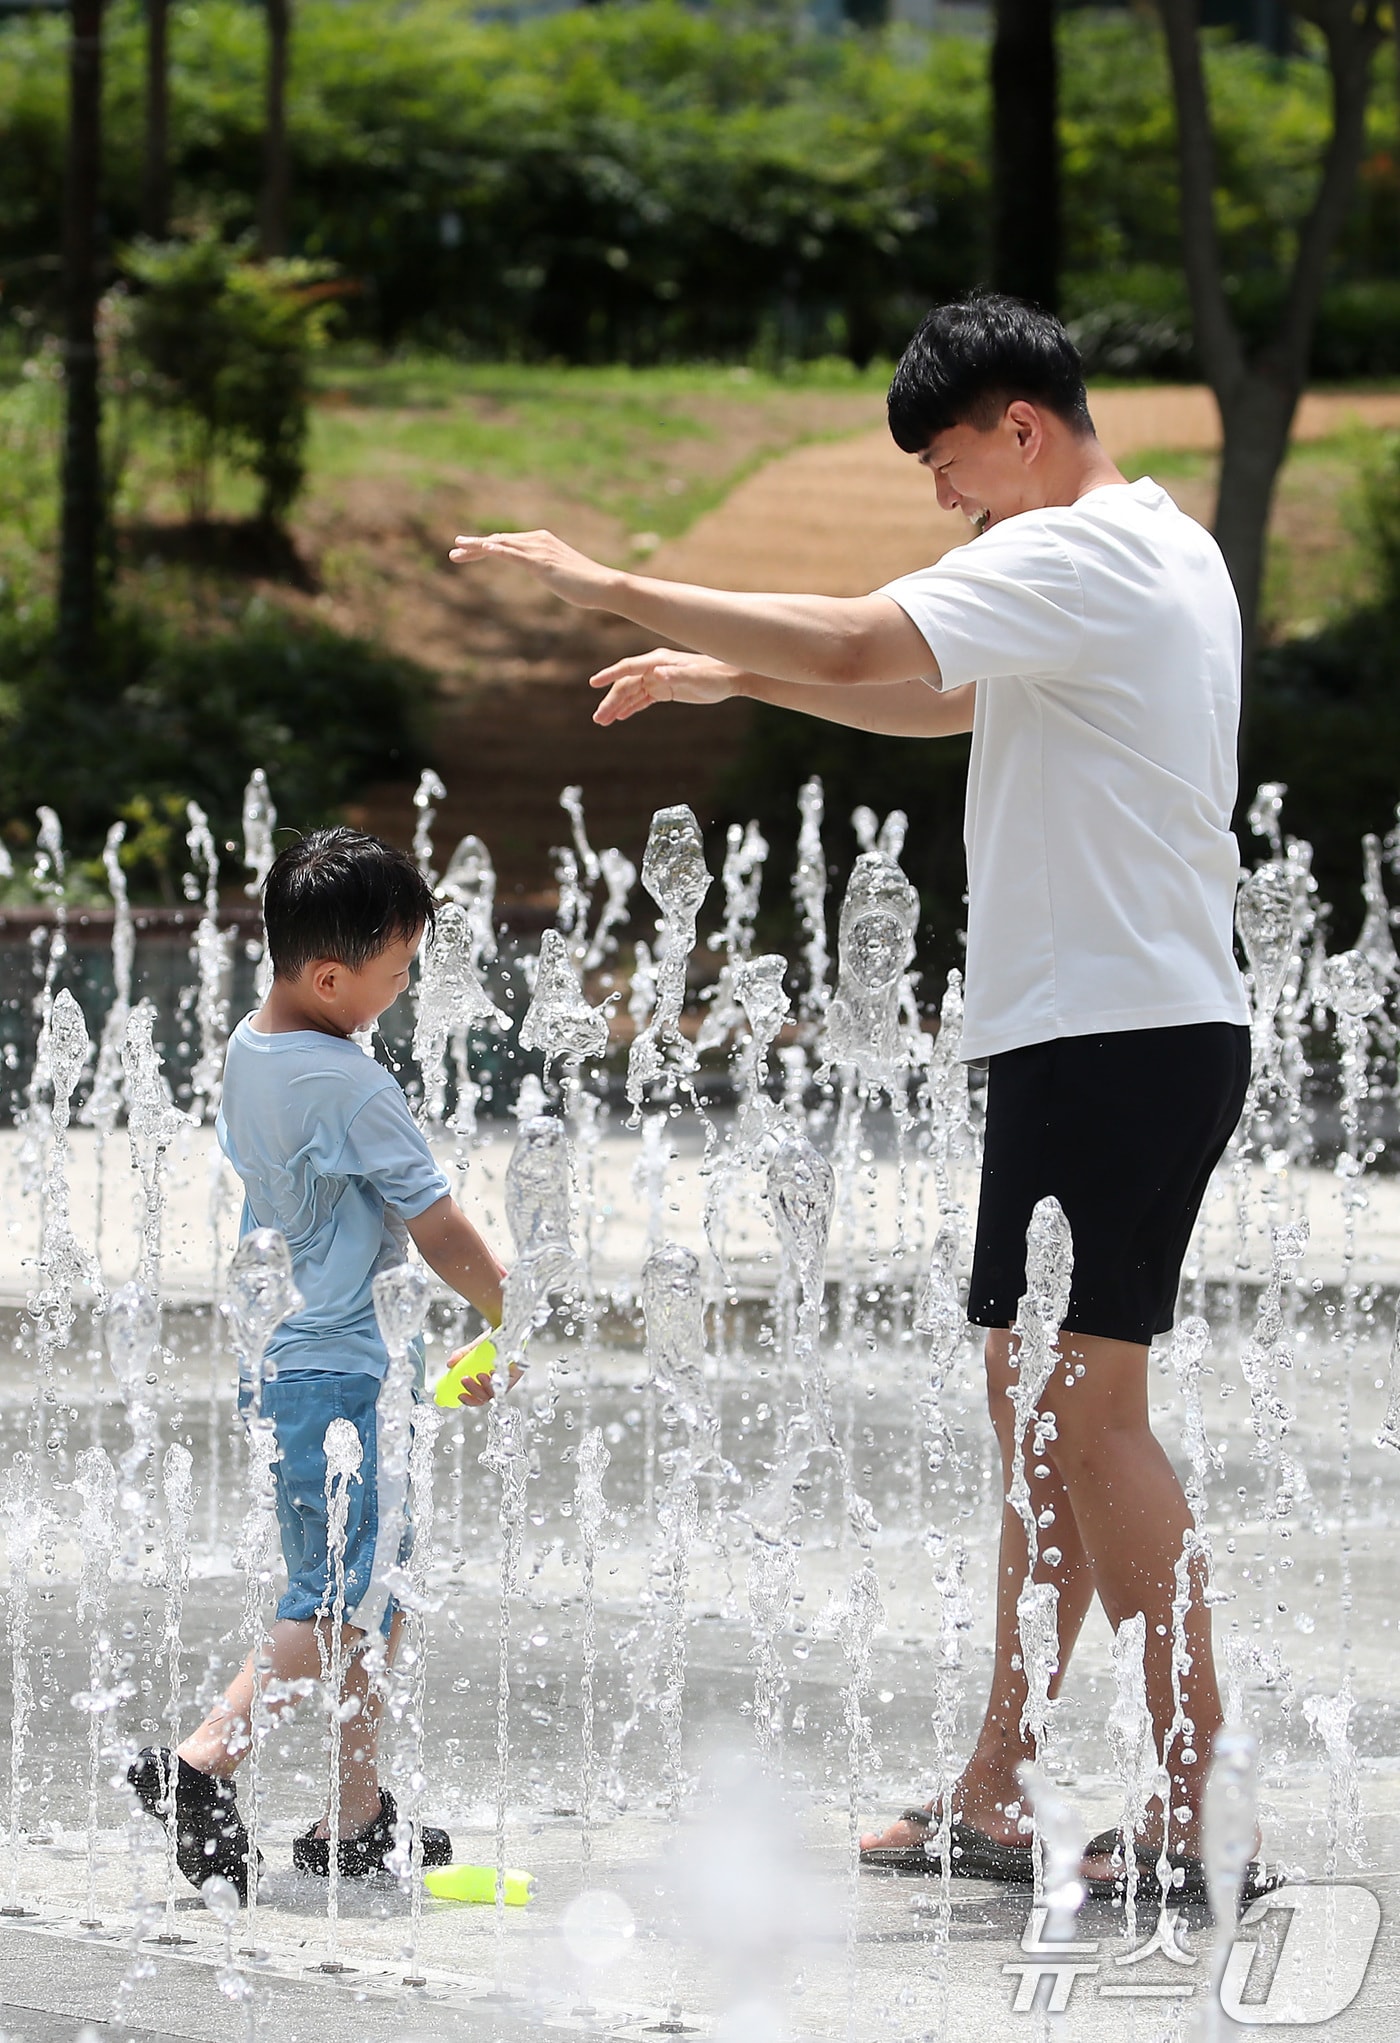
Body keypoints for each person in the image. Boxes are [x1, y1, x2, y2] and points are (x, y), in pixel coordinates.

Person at [447, 294, 1265, 1903]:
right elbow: (937, 691)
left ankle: (1197, 1800)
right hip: (1114, 1029)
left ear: (1021, 428)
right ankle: (1000, 1785)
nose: (944, 500)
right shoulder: (1160, 545)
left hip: (1112, 1033)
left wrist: (610, 581)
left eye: (952, 465)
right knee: (1041, 1428)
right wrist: (725, 674)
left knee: (1089, 1421)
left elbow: (856, 635)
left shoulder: (1081, 550)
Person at [129, 827, 511, 1898]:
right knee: (339, 1594)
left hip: (296, 1366)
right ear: (333, 974)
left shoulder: (254, 1048)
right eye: (395, 976)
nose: (400, 994)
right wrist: (510, 1323)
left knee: (367, 1594)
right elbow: (436, 1228)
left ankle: (353, 1816)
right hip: (341, 1374)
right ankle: (203, 1763)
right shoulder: (348, 1082)